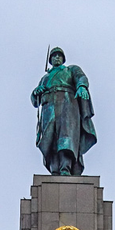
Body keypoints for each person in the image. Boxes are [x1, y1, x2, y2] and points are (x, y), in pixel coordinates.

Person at [31, 47, 96, 176]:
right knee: (50, 139)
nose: (56, 58)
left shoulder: (70, 70)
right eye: (54, 56)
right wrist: (35, 93)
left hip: (67, 105)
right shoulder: (45, 78)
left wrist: (82, 86)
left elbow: (81, 78)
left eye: (59, 56)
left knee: (66, 138)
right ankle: (54, 168)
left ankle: (65, 167)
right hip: (48, 107)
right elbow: (35, 101)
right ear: (50, 60)